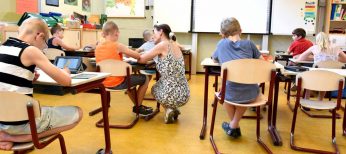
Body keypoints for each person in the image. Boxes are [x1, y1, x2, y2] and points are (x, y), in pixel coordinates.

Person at [0, 18, 82, 151]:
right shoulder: (30, 50)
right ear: (40, 35)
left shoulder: (3, 46)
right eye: (44, 44)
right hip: (22, 123)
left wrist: (29, 77)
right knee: (78, 113)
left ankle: (6, 134)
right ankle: (10, 137)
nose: (43, 48)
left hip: (2, 119)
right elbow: (65, 81)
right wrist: (65, 72)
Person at [212, 17, 264, 138]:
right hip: (251, 94)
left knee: (223, 92)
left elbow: (214, 58)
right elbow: (262, 63)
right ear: (241, 30)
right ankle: (234, 125)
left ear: (223, 33)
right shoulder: (250, 44)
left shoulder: (221, 44)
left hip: (228, 94)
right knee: (243, 89)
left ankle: (234, 125)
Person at [95, 21, 153, 116]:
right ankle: (138, 108)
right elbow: (137, 56)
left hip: (102, 83)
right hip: (118, 82)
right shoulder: (117, 45)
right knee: (145, 79)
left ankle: (138, 107)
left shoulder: (98, 46)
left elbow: (108, 61)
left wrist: (120, 63)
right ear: (117, 33)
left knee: (131, 79)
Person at [138, 24, 190, 124]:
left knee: (154, 88)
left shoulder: (162, 45)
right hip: (184, 93)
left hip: (172, 94)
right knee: (163, 83)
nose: (153, 35)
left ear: (161, 32)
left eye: (154, 32)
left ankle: (168, 109)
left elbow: (142, 59)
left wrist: (132, 54)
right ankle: (173, 108)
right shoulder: (174, 44)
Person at [298, 32, 346, 101]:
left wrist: (315, 58)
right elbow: (345, 59)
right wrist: (334, 60)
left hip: (315, 76)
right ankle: (320, 100)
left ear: (317, 40)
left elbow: (301, 58)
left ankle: (306, 99)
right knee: (325, 80)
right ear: (328, 39)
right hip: (331, 77)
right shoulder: (336, 48)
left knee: (309, 78)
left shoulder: (314, 48)